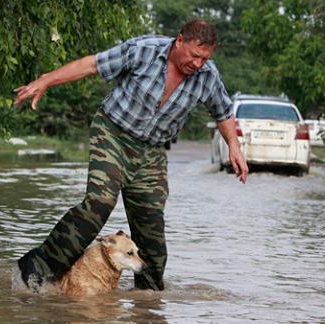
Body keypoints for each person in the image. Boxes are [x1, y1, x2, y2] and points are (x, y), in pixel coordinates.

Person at [13, 19, 248, 292]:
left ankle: (146, 301)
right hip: (112, 133)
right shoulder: (143, 50)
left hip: (151, 152)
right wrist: (46, 81)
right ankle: (38, 267)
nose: (198, 64)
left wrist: (234, 144)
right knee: (100, 203)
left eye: (204, 58)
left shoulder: (208, 76)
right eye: (195, 56)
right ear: (179, 41)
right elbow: (92, 65)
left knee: (152, 234)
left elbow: (223, 111)